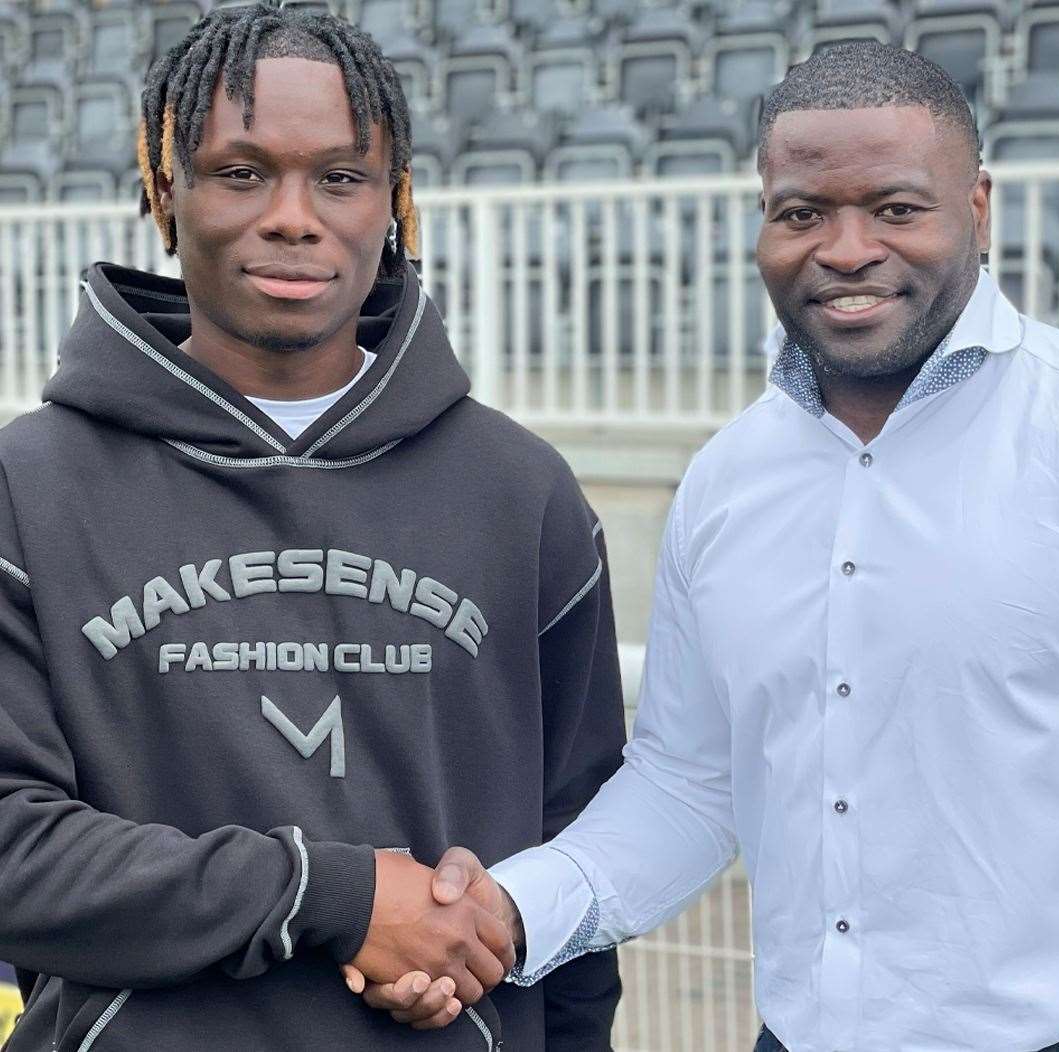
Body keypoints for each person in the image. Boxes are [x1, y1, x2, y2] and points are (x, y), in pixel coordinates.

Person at [366, 41, 1059, 1052]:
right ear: (762, 223)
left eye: (895, 207)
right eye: (802, 213)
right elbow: (688, 787)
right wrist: (503, 914)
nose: (845, 248)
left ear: (979, 208)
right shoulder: (725, 482)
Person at [0, 5, 624, 1050]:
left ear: (395, 201)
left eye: (341, 177)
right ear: (166, 192)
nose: (294, 216)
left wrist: (476, 945)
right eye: (240, 172)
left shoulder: (522, 494)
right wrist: (328, 896)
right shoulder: (30, 486)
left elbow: (583, 857)